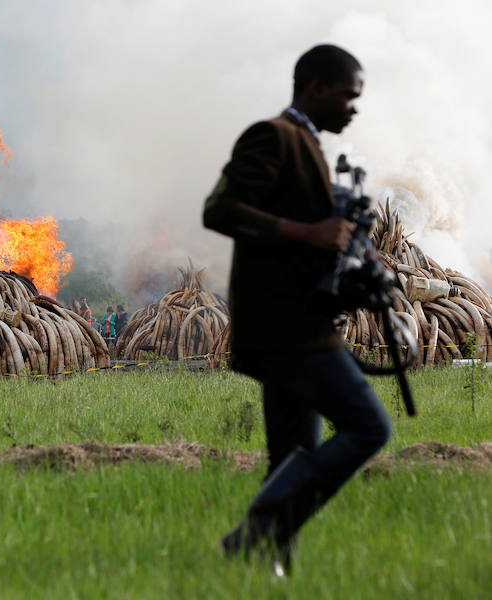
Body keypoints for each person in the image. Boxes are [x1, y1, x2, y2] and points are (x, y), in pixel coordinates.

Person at [202, 44, 391, 576]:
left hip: (292, 323)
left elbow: (312, 238)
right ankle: (260, 526)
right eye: (350, 96)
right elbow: (220, 209)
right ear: (318, 89)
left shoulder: (309, 144)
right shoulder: (274, 136)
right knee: (369, 427)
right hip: (289, 329)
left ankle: (268, 568)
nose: (355, 108)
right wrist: (309, 231)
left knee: (290, 454)